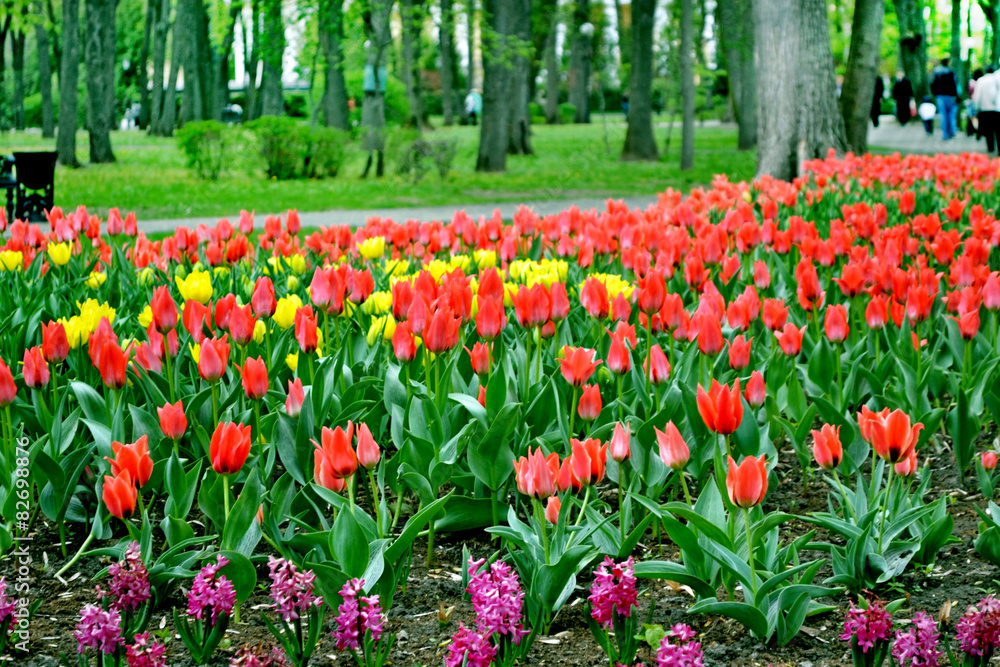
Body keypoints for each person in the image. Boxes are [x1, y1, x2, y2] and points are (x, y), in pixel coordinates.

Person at [930, 58, 959, 139]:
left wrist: (935, 94)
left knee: (943, 115)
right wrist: (956, 95)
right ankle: (952, 131)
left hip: (940, 96)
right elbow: (955, 84)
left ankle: (945, 134)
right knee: (950, 114)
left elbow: (932, 84)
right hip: (950, 96)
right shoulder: (951, 71)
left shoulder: (936, 71)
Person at [973, 66, 1000, 154]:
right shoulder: (996, 79)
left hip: (984, 108)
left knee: (988, 130)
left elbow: (977, 96)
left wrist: (977, 107)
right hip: (995, 108)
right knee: (997, 129)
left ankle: (990, 148)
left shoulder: (981, 80)